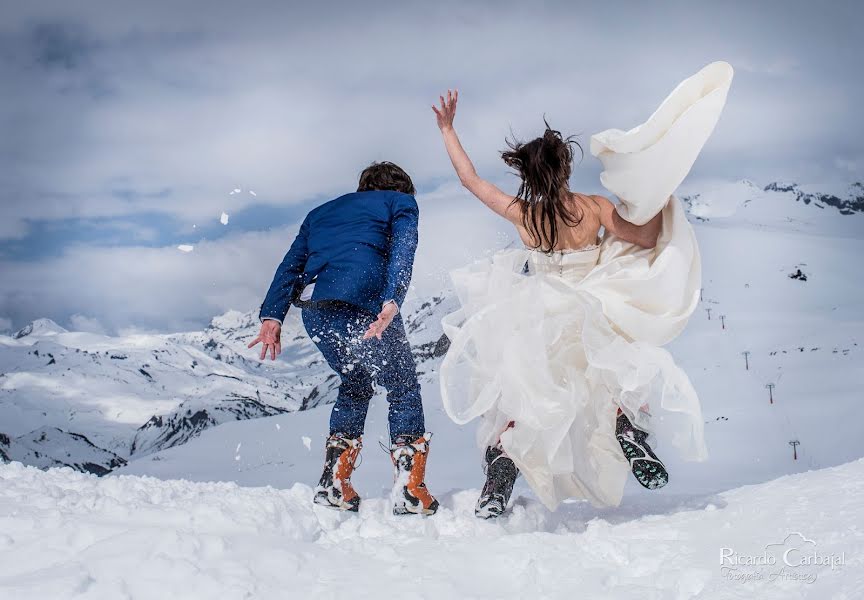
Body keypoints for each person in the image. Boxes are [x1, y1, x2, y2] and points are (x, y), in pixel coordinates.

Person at [433, 61, 733, 518]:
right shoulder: (592, 208)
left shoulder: (525, 215)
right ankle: (629, 429)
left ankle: (501, 473)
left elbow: (470, 181)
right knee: (612, 378)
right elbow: (645, 238)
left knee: (522, 394)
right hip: (591, 307)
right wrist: (660, 198)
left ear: (527, 175)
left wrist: (448, 129)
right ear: (566, 167)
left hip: (537, 316)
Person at [248, 162, 438, 516]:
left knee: (355, 383)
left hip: (316, 309)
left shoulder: (319, 212)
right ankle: (409, 490)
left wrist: (272, 316)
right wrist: (392, 298)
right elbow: (403, 251)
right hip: (365, 302)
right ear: (402, 189)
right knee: (402, 386)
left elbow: (290, 265)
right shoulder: (400, 203)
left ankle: (335, 483)